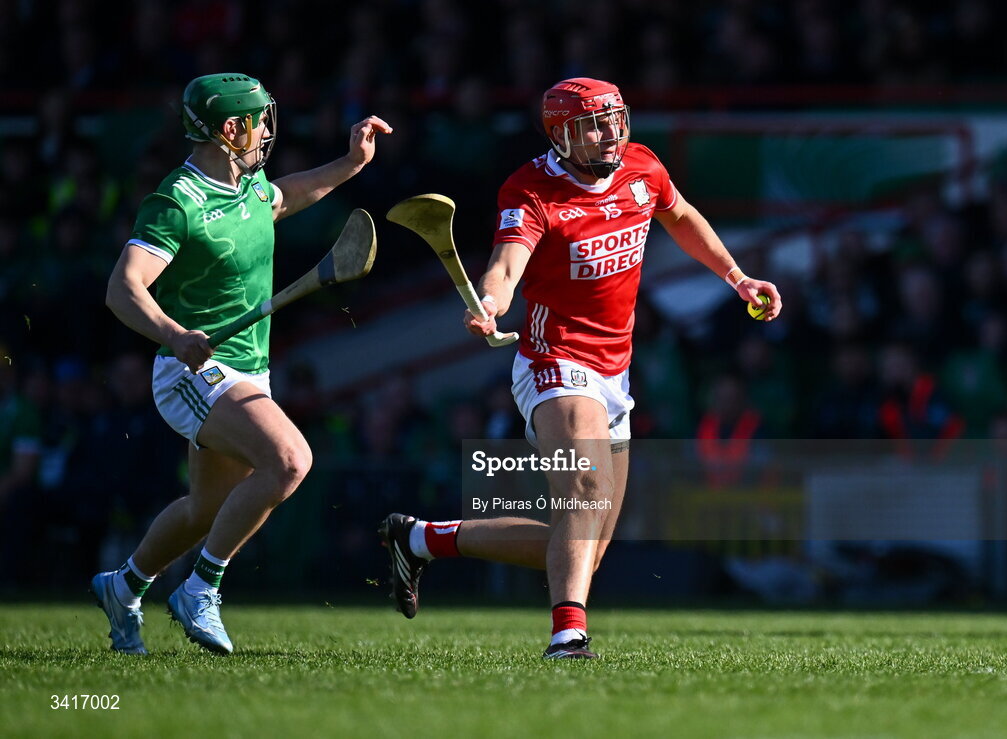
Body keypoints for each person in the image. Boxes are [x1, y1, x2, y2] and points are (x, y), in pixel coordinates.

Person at [379, 77, 780, 659]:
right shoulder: (531, 190)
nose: (609, 134)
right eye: (592, 124)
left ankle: (418, 539)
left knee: (586, 544)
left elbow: (683, 215)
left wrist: (738, 278)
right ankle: (568, 638)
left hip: (616, 370)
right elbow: (506, 263)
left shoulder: (641, 167)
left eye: (614, 119)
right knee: (584, 495)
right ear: (559, 134)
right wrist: (491, 302)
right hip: (555, 361)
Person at [91, 73, 391, 655]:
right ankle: (200, 589)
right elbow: (123, 289)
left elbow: (288, 196)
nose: (266, 131)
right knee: (289, 459)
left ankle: (123, 587)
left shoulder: (249, 189)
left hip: (247, 371)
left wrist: (351, 163)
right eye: (259, 120)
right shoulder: (178, 202)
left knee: (206, 510)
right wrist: (175, 334)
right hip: (190, 373)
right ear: (232, 129)